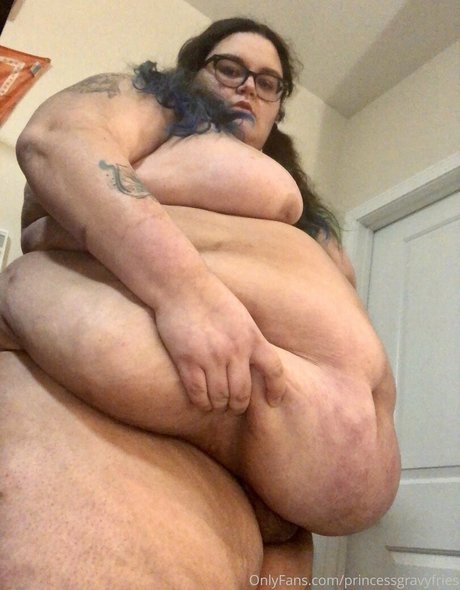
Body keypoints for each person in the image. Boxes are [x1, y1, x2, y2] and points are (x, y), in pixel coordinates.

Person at [0, 18, 400, 587]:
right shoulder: (157, 102)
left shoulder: (295, 197)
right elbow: (58, 141)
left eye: (268, 82)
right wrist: (187, 295)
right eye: (230, 68)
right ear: (194, 71)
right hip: (195, 380)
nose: (248, 87)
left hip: (286, 488)